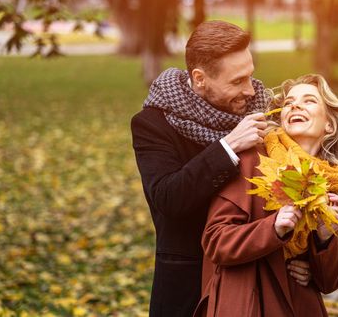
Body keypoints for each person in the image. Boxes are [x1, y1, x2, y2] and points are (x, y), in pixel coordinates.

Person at [131, 20, 311, 316]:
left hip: (260, 279)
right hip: (189, 288)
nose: (251, 91)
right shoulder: (154, 124)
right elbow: (168, 199)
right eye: (237, 81)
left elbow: (297, 191)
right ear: (200, 79)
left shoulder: (264, 115)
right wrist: (227, 147)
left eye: (250, 76)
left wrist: (306, 260)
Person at [195, 73, 338, 317]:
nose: (295, 106)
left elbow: (332, 281)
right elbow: (216, 241)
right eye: (289, 102)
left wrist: (325, 239)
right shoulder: (252, 161)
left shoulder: (329, 182)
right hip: (248, 302)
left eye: (309, 101)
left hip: (299, 306)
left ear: (329, 124)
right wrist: (274, 228)